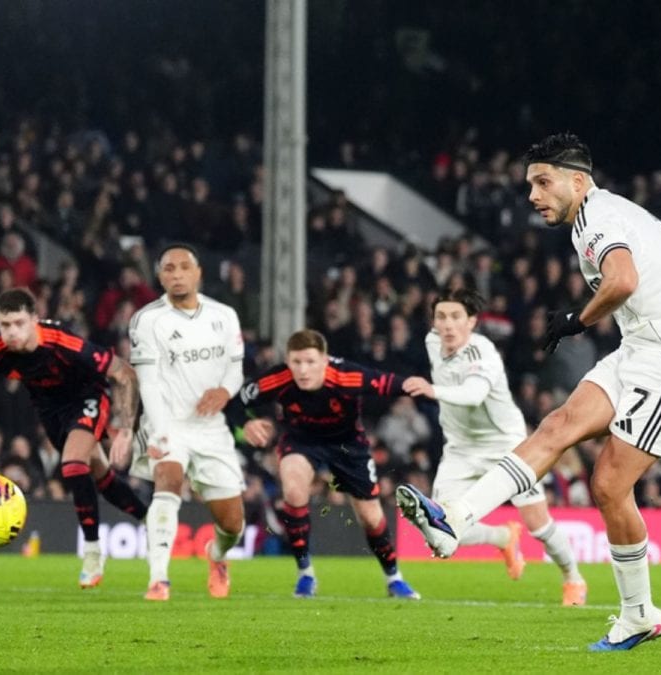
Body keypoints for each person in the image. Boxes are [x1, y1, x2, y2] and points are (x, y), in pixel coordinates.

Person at [395, 133, 661, 651]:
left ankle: (638, 615)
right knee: (557, 426)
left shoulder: (598, 217)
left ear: (577, 181)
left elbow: (622, 280)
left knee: (609, 483)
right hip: (643, 348)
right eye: (530, 185)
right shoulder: (596, 217)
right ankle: (453, 520)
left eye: (543, 182)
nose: (533, 195)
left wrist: (577, 320)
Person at [402, 287, 587, 605]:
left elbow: (474, 394)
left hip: (506, 445)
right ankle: (502, 537)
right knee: (441, 526)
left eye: (455, 316)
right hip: (460, 448)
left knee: (539, 526)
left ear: (471, 321)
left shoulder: (482, 353)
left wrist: (433, 390)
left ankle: (573, 578)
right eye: (441, 317)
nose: (447, 324)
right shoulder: (433, 342)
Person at [0, 288, 148, 588]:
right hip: (50, 412)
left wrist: (126, 430)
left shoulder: (63, 342)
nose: (11, 332)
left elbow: (123, 372)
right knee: (100, 475)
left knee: (73, 464)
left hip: (88, 397)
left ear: (34, 319)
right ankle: (152, 519)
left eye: (19, 323)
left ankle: (92, 550)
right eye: (5, 325)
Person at [240, 329, 421, 600]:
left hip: (347, 445)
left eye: (310, 362)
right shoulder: (277, 378)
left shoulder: (347, 375)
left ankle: (394, 578)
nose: (303, 370)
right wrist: (246, 422)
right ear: (288, 361)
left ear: (324, 360)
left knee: (371, 517)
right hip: (301, 441)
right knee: (293, 490)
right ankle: (305, 574)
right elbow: (237, 400)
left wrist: (427, 388)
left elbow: (388, 383)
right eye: (297, 362)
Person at [122, 244, 246, 601]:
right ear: (160, 277)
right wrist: (159, 431)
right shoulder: (148, 320)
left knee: (232, 524)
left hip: (210, 428)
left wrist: (224, 391)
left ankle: (217, 555)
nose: (177, 274)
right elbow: (148, 382)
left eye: (183, 267)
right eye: (169, 269)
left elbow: (235, 369)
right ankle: (158, 579)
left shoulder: (224, 316)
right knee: (169, 480)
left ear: (198, 273)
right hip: (168, 422)